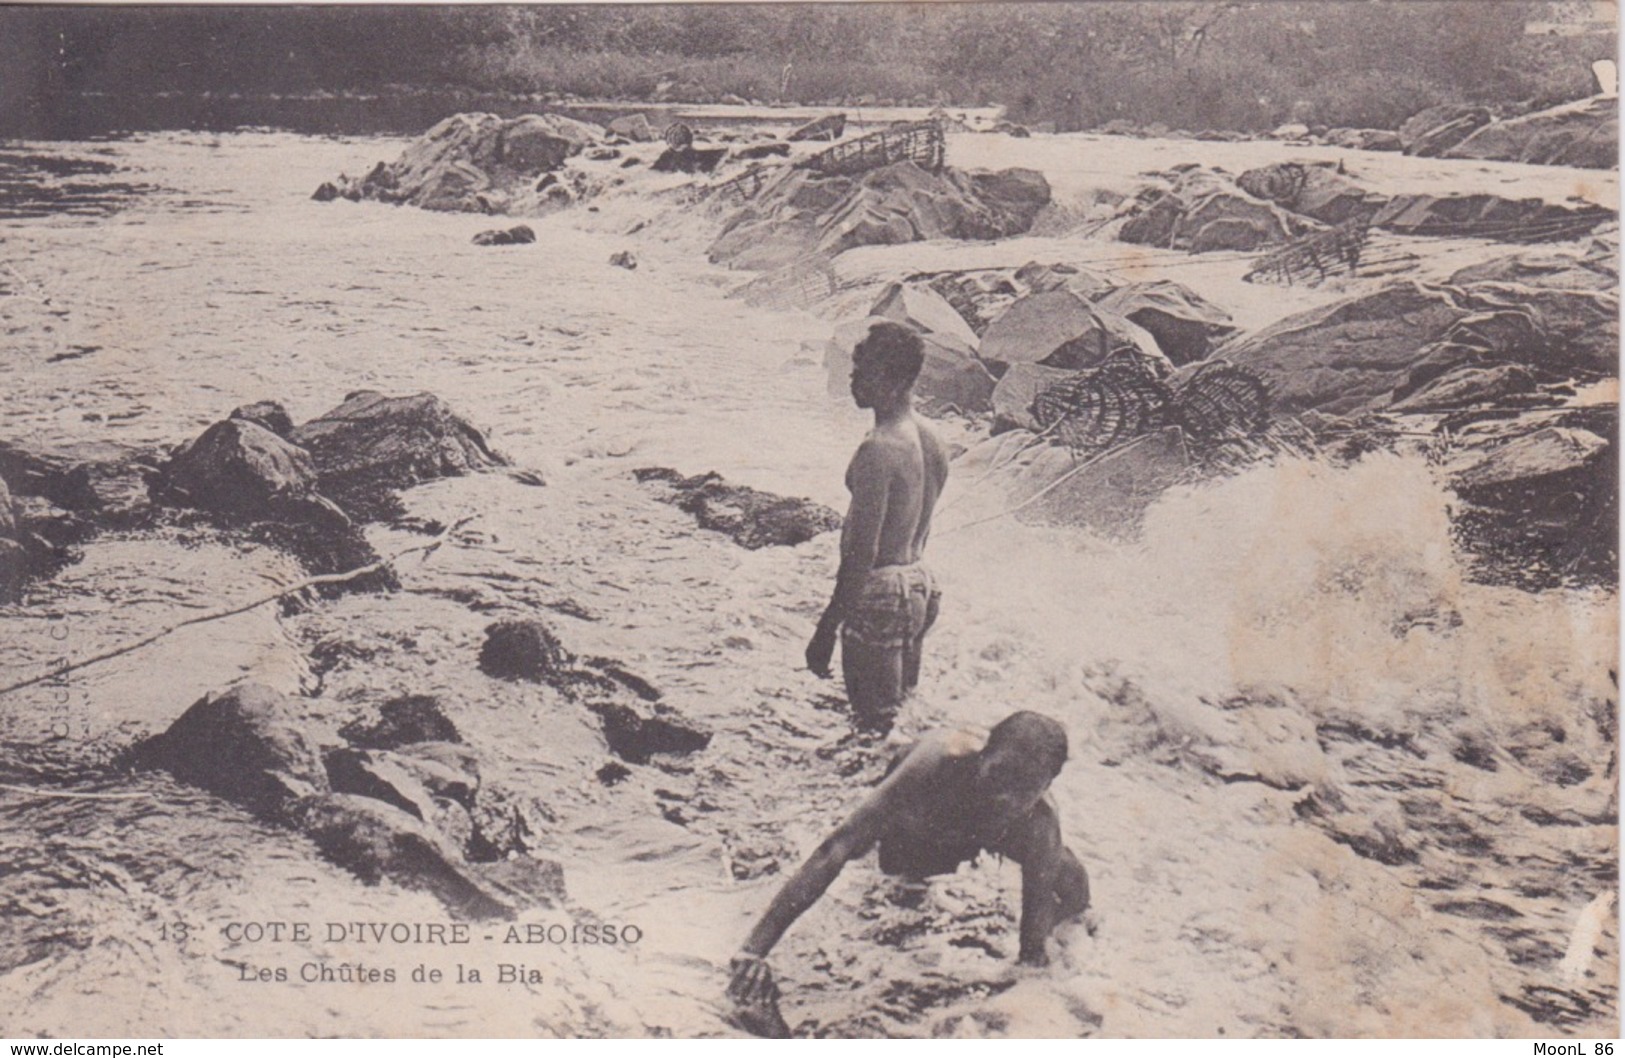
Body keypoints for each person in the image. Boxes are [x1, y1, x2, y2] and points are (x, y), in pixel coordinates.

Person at [727, 711, 1091, 1033]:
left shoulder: (1038, 822)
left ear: (1046, 787)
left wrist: (997, 1015)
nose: (1004, 797)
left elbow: (1030, 957)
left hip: (994, 834)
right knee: (899, 895)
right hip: (921, 822)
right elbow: (834, 850)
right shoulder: (936, 764)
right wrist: (753, 951)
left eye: (1023, 788)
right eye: (998, 775)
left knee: (1073, 889)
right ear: (983, 756)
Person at [806, 320, 949, 732]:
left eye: (865, 371)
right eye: (855, 369)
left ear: (898, 379)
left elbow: (861, 552)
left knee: (871, 729)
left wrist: (825, 630)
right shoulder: (933, 437)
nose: (854, 380)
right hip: (920, 583)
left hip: (882, 592)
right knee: (900, 721)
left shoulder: (878, 448)